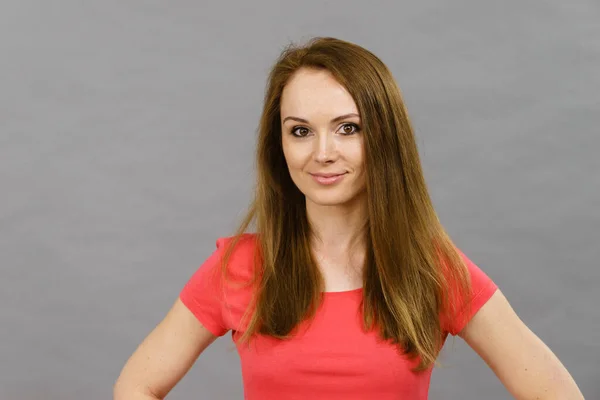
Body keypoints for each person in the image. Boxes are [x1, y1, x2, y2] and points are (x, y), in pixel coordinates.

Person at [114, 37, 584, 399]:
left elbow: (555, 392)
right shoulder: (239, 266)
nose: (323, 153)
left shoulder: (432, 269)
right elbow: (135, 386)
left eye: (348, 128)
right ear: (279, 146)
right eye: (300, 131)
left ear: (383, 137)